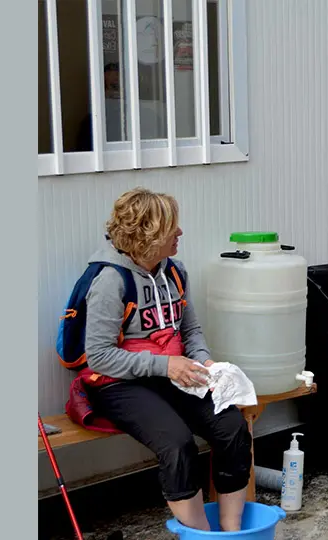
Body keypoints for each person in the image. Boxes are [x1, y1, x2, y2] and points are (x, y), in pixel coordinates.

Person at [80, 187, 253, 531]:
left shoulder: (174, 272)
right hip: (120, 385)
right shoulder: (110, 282)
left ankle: (232, 531)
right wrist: (165, 365)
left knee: (232, 427)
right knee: (176, 443)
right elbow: (98, 356)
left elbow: (191, 329)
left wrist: (203, 361)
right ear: (149, 234)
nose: (180, 233)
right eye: (173, 227)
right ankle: (201, 535)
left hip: (174, 375)